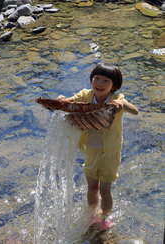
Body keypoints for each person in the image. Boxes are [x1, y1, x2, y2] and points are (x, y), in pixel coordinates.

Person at [57, 62, 138, 231]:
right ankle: (92, 213)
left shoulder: (117, 100)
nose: (99, 84)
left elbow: (135, 110)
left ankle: (105, 216)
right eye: (96, 78)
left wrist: (123, 105)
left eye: (105, 81)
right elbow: (70, 102)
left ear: (113, 86)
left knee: (105, 190)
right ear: (91, 80)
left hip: (110, 152)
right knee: (92, 186)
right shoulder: (86, 95)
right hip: (91, 150)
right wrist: (62, 100)